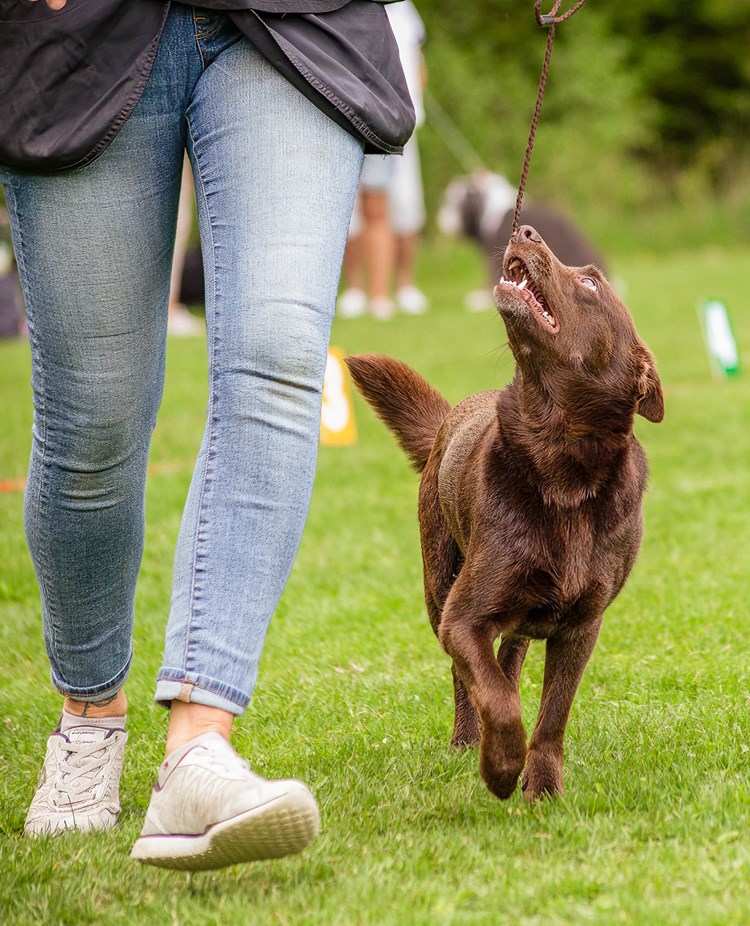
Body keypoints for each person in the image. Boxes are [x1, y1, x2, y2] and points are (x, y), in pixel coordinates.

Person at [0, 0, 413, 870]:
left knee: (278, 354)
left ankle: (200, 740)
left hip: (298, 21)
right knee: (94, 420)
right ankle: (89, 723)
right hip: (83, 35)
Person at [338, 0, 428, 320]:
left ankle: (384, 293)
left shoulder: (404, 10)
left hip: (388, 120)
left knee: (387, 205)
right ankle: (356, 290)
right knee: (349, 210)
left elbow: (417, 62)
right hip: (347, 115)